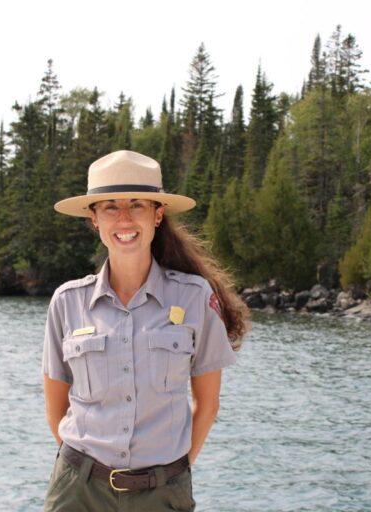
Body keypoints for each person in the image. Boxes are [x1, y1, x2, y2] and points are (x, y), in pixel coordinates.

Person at [41, 149, 248, 511]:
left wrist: (177, 470)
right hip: (78, 492)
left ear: (157, 215)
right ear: (93, 219)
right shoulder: (66, 302)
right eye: (109, 207)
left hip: (163, 492)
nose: (124, 218)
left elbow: (208, 404)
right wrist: (84, 474)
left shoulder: (195, 297)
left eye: (137, 204)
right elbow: (55, 408)